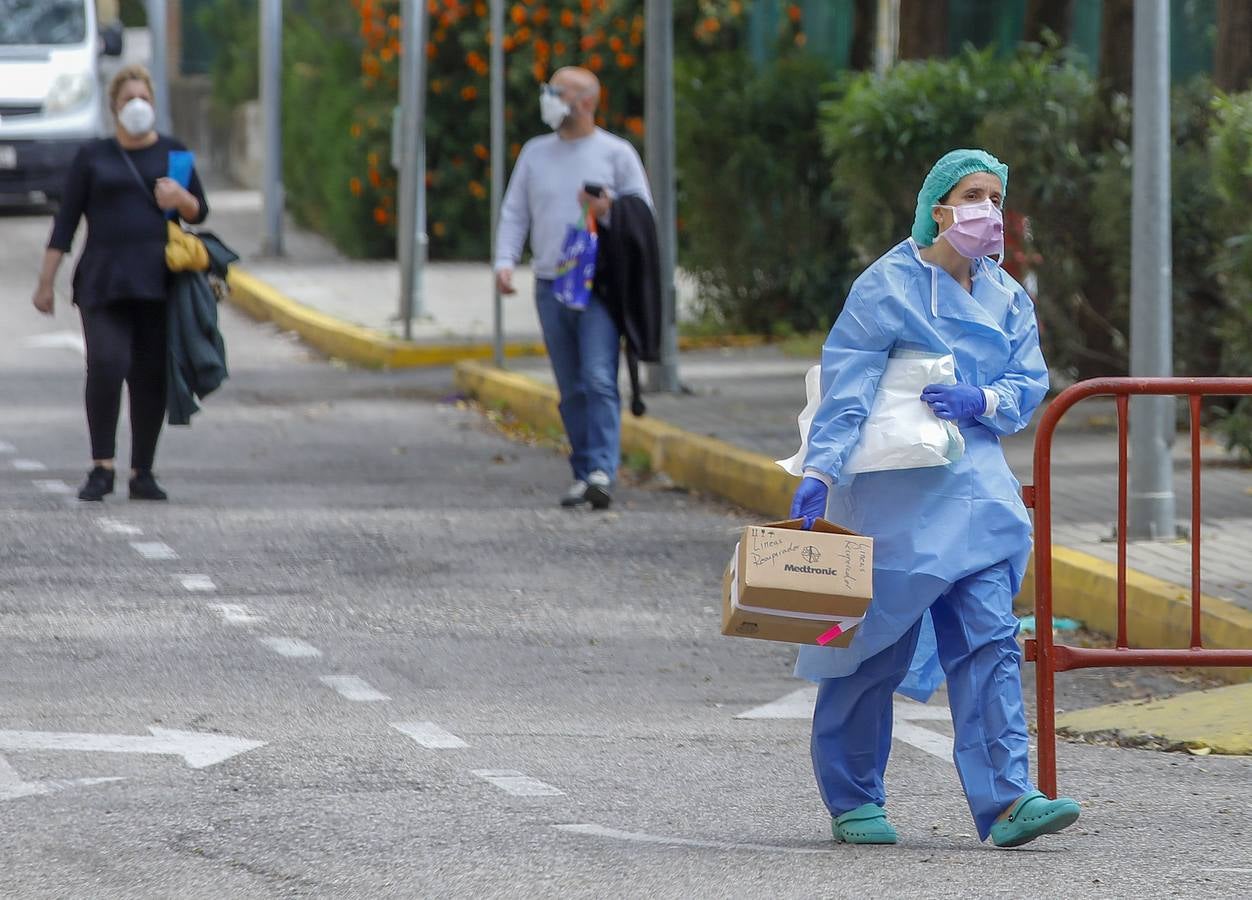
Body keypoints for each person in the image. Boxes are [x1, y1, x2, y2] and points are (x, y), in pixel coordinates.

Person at [788, 149, 1081, 848]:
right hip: (896, 503)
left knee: (990, 644)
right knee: (870, 654)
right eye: (972, 194)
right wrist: (821, 472)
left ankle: (1008, 801)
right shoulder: (886, 286)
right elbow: (848, 385)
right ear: (937, 207)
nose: (988, 210)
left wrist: (984, 398)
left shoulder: (1006, 296)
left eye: (995, 196)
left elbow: (1026, 385)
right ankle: (855, 796)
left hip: (978, 497)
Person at [31, 63, 208, 502]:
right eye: (128, 99)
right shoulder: (94, 156)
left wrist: (180, 198)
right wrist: (45, 282)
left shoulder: (175, 154)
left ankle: (142, 471)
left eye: (144, 99)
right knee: (107, 365)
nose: (137, 106)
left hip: (157, 283)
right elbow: (66, 221)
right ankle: (101, 466)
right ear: (114, 107)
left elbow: (199, 212)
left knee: (150, 376)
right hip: (103, 282)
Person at [494, 66, 652, 510]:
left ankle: (602, 467)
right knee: (571, 386)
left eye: (557, 92)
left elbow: (644, 215)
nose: (549, 99)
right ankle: (585, 472)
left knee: (599, 377)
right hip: (551, 284)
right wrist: (505, 261)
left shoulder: (616, 154)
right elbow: (515, 212)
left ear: (586, 102)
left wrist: (607, 209)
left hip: (598, 286)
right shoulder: (534, 153)